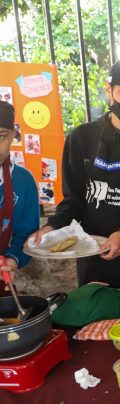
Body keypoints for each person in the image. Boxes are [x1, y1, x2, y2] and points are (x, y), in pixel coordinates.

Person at [30, 60, 120, 300]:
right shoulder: (81, 139)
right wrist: (53, 226)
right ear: (109, 89)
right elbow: (73, 201)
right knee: (92, 316)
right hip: (90, 252)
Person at [0, 101, 39, 289]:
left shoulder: (23, 182)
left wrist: (12, 259)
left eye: (1, 136)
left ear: (13, 135)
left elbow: (26, 233)